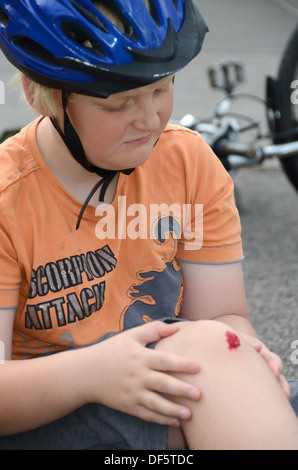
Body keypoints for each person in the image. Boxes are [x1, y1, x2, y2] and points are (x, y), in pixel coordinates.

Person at [0, 0, 297, 450]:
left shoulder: (188, 162)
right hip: (50, 409)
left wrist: (244, 352)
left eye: (162, 88)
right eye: (119, 104)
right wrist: (94, 374)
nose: (150, 118)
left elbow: (220, 316)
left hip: (171, 377)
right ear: (40, 92)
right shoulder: (8, 199)